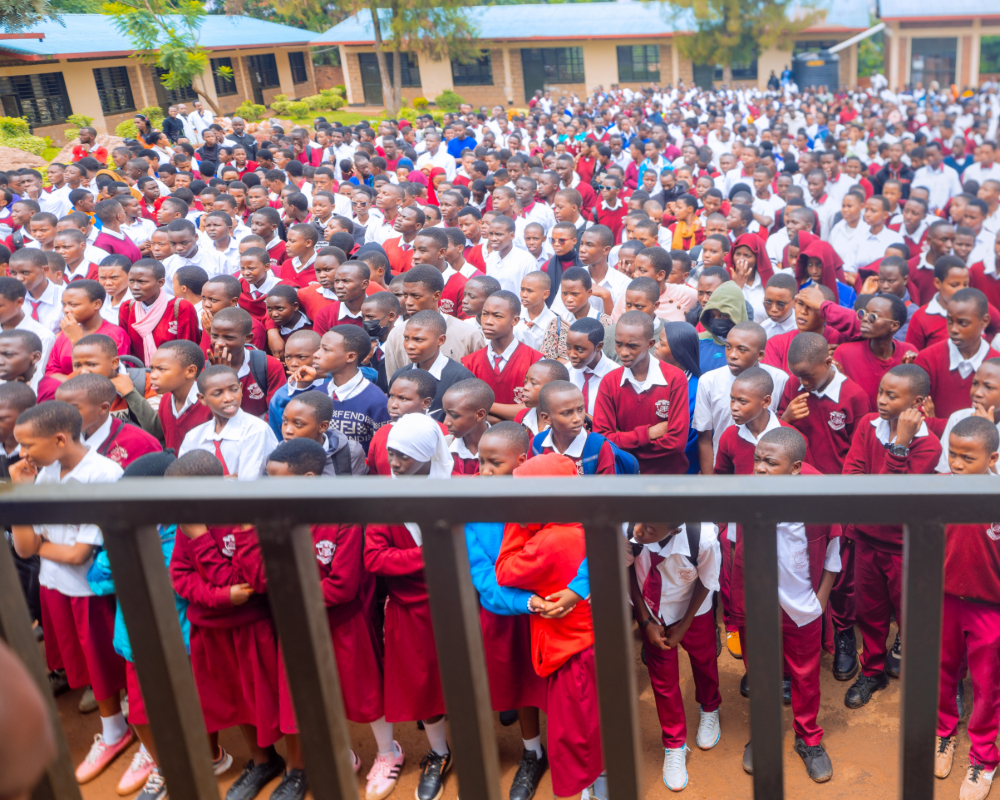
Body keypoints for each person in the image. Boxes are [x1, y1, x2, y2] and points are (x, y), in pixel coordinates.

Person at [9, 401, 128, 783]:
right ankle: (116, 723)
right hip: (54, 585)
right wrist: (21, 493)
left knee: (105, 662)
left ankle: (117, 731)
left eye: (28, 445)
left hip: (89, 591)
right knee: (84, 662)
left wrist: (41, 544)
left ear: (60, 439)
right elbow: (24, 548)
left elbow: (78, 555)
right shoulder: (42, 474)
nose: (22, 454)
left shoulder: (103, 474)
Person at [495, 453, 603, 800]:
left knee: (573, 731)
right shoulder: (585, 521)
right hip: (587, 642)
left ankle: (593, 785)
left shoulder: (548, 541)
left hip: (570, 652)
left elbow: (504, 570)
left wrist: (518, 523)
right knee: (592, 719)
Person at [738, 427, 839, 783]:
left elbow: (833, 554)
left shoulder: (817, 503)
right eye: (757, 460)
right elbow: (731, 547)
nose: (760, 468)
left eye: (770, 462)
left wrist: (820, 601)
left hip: (802, 608)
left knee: (806, 675)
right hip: (758, 606)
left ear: (795, 468)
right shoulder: (745, 497)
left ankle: (808, 737)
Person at [364, 413, 456, 800]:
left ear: (427, 453)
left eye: (405, 455)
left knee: (464, 681)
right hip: (410, 610)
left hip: (459, 605)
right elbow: (375, 558)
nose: (395, 462)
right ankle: (439, 752)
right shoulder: (385, 499)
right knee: (424, 688)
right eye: (391, 453)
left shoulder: (455, 490)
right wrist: (427, 554)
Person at [842, 365, 942, 708]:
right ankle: (872, 671)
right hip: (866, 540)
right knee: (869, 612)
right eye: (880, 392)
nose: (881, 400)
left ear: (916, 402)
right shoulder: (867, 425)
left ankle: (916, 671)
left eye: (891, 395)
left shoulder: (928, 445)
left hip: (905, 548)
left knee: (910, 613)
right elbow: (851, 478)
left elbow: (888, 497)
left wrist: (900, 444)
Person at [628, 517, 722, 792]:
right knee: (663, 680)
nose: (639, 531)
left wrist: (684, 624)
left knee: (704, 660)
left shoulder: (702, 537)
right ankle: (674, 743)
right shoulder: (629, 528)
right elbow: (626, 570)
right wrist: (645, 621)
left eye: (649, 529)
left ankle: (710, 707)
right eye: (640, 522)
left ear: (675, 529)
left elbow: (707, 580)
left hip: (693, 608)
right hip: (652, 611)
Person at [934, 415, 1000, 800]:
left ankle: (984, 758)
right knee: (943, 669)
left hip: (989, 607)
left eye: (967, 457)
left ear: (992, 459)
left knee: (987, 684)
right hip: (944, 599)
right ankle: (944, 732)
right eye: (952, 454)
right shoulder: (938, 489)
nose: (956, 464)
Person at [593, 310, 690, 474]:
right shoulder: (609, 382)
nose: (623, 352)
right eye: (618, 343)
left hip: (668, 477)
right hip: (626, 476)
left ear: (650, 344)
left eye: (633, 346)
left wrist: (624, 442)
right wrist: (650, 433)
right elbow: (603, 439)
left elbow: (676, 443)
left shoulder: (675, 378)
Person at [694, 321, 788, 474]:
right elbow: (704, 438)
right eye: (728, 347)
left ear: (760, 355)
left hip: (767, 472)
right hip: (723, 471)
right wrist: (708, 479)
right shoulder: (709, 381)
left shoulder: (779, 379)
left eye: (742, 350)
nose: (732, 355)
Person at [291, 325, 389, 455]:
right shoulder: (316, 395)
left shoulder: (377, 401)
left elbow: (382, 452)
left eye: (326, 349)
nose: (316, 354)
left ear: (351, 356)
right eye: (319, 348)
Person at [177, 364, 279, 479]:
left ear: (241, 388)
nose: (229, 398)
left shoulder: (256, 430)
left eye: (234, 390)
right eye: (218, 393)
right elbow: (184, 481)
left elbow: (248, 483)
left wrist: (207, 483)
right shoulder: (194, 437)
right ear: (202, 399)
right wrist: (227, 480)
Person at [383, 267, 485, 377]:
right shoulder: (396, 334)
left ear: (436, 296)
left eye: (415, 296)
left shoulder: (469, 335)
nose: (408, 302)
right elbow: (393, 381)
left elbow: (479, 380)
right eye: (405, 295)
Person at [916, 288, 999, 419]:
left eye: (963, 323)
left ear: (984, 321)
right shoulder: (927, 358)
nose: (953, 329)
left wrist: (935, 422)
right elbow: (917, 416)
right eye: (949, 321)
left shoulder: (996, 364)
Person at [461, 290, 542, 421]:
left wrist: (484, 406)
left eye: (497, 316)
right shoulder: (469, 363)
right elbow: (464, 408)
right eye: (485, 314)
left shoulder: (535, 361)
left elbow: (534, 410)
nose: (488, 321)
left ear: (515, 320)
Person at [54, 374, 162, 469]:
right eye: (59, 407)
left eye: (72, 408)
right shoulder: (55, 438)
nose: (62, 414)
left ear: (104, 408)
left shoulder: (142, 443)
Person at [833, 294, 917, 408]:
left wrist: (904, 376)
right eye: (863, 313)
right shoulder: (845, 353)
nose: (865, 319)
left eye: (873, 316)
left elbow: (914, 399)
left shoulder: (908, 353)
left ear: (894, 325)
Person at [118, 259, 200, 366]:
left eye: (142, 282)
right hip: (138, 371)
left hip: (173, 370)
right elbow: (126, 347)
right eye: (131, 281)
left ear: (160, 282)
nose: (135, 287)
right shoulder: (127, 308)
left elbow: (188, 349)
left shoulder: (181, 307)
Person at [45, 280, 129, 380]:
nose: (66, 310)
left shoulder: (115, 335)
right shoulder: (65, 333)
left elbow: (117, 375)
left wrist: (77, 340)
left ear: (97, 304)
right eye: (64, 304)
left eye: (73, 305)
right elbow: (51, 372)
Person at [150, 339, 211, 452]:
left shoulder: (209, 406)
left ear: (190, 371)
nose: (152, 375)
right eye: (152, 369)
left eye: (162, 369)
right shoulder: (165, 400)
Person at [441, 378, 493, 475]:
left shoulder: (503, 449)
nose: (445, 422)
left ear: (480, 415)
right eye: (445, 413)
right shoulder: (443, 446)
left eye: (454, 415)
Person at [313, 260, 370, 336]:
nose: (338, 286)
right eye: (336, 281)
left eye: (346, 281)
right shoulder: (325, 315)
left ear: (364, 284)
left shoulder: (380, 312)